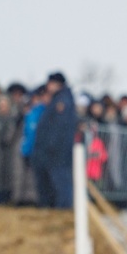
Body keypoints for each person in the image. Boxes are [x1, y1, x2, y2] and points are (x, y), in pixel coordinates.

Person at [29, 72, 78, 209]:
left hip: (57, 152)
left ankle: (63, 208)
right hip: (51, 150)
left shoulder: (62, 101)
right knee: (51, 181)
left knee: (60, 181)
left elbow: (59, 127)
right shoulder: (57, 99)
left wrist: (51, 145)